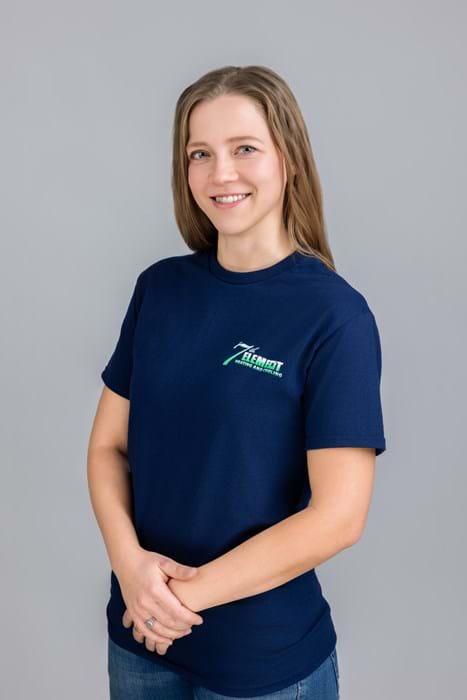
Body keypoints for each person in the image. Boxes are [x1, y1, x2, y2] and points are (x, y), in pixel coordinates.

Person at [87, 64, 386, 699]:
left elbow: (338, 517)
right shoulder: (159, 290)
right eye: (200, 153)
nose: (221, 173)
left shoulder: (335, 317)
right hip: (140, 640)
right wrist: (130, 569)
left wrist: (177, 598)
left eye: (244, 148)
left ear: (289, 159)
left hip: (261, 660)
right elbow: (108, 447)